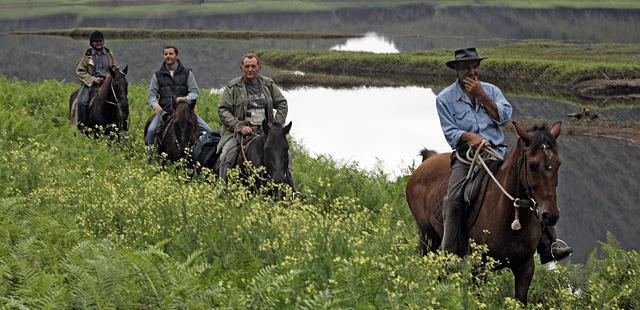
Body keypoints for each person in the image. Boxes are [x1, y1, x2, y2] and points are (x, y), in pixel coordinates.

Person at [436, 47, 572, 263]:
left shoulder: (492, 90)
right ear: (457, 70)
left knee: (533, 183)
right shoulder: (444, 98)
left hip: (498, 154)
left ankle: (549, 244)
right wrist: (470, 137)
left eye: (474, 66)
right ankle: (450, 254)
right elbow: (450, 131)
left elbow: (505, 117)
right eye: (465, 68)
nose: (471, 72)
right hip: (468, 158)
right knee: (453, 200)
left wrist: (482, 95)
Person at [216, 52, 296, 190]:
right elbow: (223, 110)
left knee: (285, 156)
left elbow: (282, 104)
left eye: (253, 66)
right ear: (241, 67)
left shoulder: (268, 84)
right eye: (247, 66)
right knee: (226, 155)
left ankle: (293, 191)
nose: (250, 69)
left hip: (266, 132)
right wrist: (239, 126)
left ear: (259, 67)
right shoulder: (233, 87)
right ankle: (222, 188)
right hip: (240, 132)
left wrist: (276, 127)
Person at [146, 46, 211, 147]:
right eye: (166, 54)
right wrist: (155, 105)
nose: (168, 56)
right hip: (164, 111)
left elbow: (194, 91)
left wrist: (186, 98)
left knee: (208, 130)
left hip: (185, 111)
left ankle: (195, 149)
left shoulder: (187, 73)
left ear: (176, 55)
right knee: (150, 131)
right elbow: (151, 95)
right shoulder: (157, 75)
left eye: (171, 54)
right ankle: (151, 160)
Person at [73, 30, 118, 126]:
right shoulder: (87, 56)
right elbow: (80, 71)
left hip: (107, 83)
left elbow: (114, 68)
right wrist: (93, 79)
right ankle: (82, 125)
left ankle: (122, 125)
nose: (99, 43)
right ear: (92, 43)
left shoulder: (109, 54)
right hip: (91, 84)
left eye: (100, 41)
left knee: (120, 100)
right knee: (82, 102)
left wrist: (109, 78)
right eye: (96, 42)